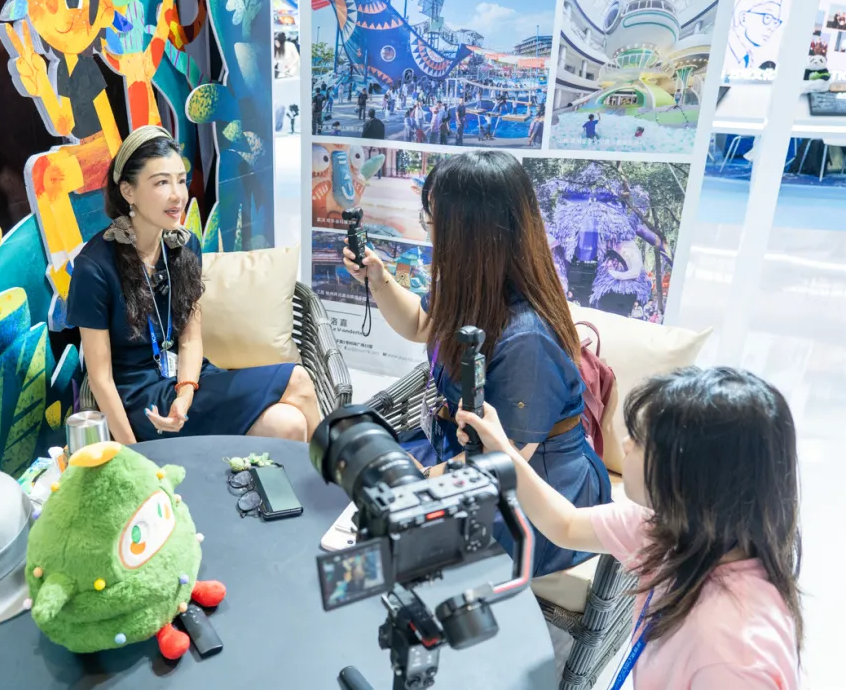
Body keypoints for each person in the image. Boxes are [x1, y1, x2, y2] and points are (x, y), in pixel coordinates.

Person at [342, 151, 610, 576]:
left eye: (432, 220)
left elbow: (504, 459)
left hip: (534, 493)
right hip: (466, 451)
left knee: (379, 542)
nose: (428, 230)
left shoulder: (528, 341)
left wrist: (422, 479)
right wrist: (378, 278)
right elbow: (420, 324)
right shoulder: (475, 283)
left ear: (468, 232)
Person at [455, 367, 802, 689]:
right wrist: (500, 447)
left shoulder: (732, 656)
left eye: (639, 438)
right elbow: (565, 525)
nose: (625, 444)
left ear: (688, 473)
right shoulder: (667, 529)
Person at [68, 126, 320, 445]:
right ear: (128, 191)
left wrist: (185, 395)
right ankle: (338, 474)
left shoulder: (185, 247)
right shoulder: (94, 267)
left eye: (180, 180)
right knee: (298, 378)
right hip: (141, 398)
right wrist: (137, 454)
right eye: (161, 182)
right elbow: (101, 379)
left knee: (288, 424)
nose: (178, 194)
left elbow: (190, 338)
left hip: (190, 380)